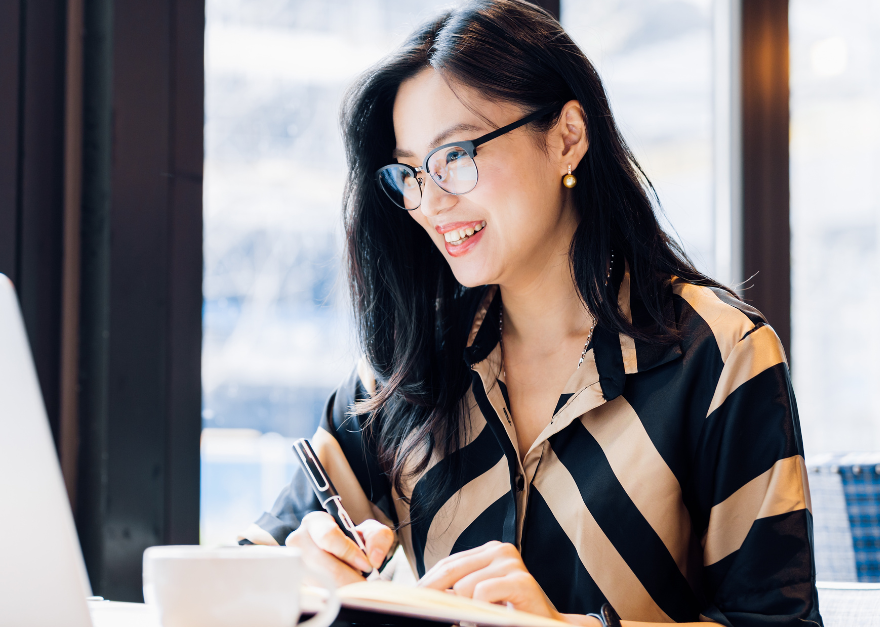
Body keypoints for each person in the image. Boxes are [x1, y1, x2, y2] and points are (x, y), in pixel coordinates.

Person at [236, 1, 820, 626]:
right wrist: (291, 585)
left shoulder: (721, 355)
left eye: (455, 156)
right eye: (409, 173)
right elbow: (231, 584)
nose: (430, 201)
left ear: (567, 137)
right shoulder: (405, 368)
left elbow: (778, 624)